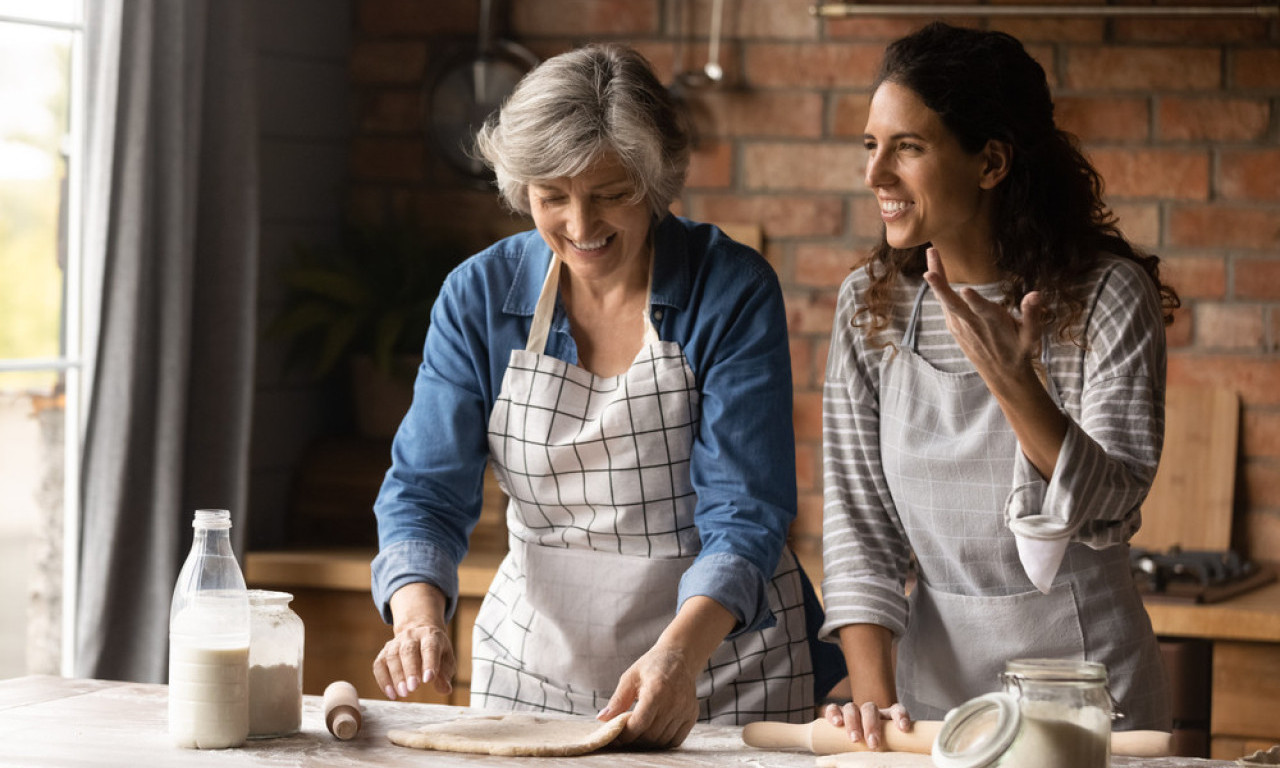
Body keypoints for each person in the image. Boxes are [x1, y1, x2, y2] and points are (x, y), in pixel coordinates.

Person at [370, 43, 842, 748]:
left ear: (654, 182)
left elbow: (745, 510)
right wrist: (417, 619)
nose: (581, 226)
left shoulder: (730, 289)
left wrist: (678, 657)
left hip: (718, 669)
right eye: (552, 197)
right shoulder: (478, 296)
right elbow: (424, 491)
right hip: (533, 670)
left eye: (611, 193)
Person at [819, 22, 1181, 749]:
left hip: (1086, 696)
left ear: (990, 162)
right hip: (934, 708)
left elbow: (1110, 503)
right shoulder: (871, 306)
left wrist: (1015, 383)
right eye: (870, 145)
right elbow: (859, 528)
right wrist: (876, 711)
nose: (875, 173)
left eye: (907, 147)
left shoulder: (1107, 297)